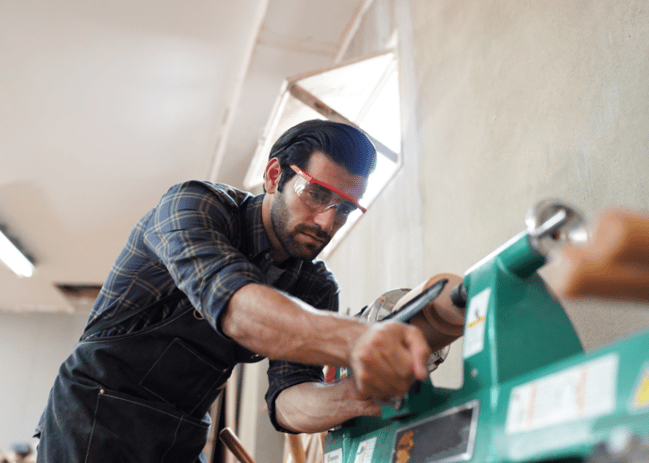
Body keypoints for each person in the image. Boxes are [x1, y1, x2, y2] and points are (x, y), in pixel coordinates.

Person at [35, 120, 433, 463]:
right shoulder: (194, 206)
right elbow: (238, 308)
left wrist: (366, 396)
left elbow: (288, 400)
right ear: (275, 176)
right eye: (315, 195)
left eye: (345, 209)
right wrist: (360, 338)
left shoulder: (315, 285)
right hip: (93, 421)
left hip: (182, 433)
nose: (327, 222)